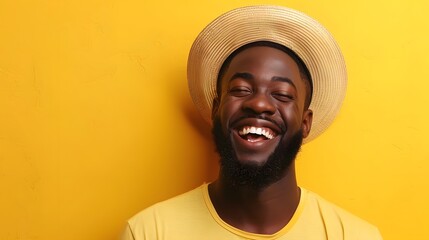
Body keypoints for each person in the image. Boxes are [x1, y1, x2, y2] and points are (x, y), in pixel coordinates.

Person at [121, 5, 383, 239]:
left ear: (305, 122)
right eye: (241, 89)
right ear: (216, 109)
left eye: (281, 94)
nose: (258, 104)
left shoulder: (355, 236)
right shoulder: (149, 231)